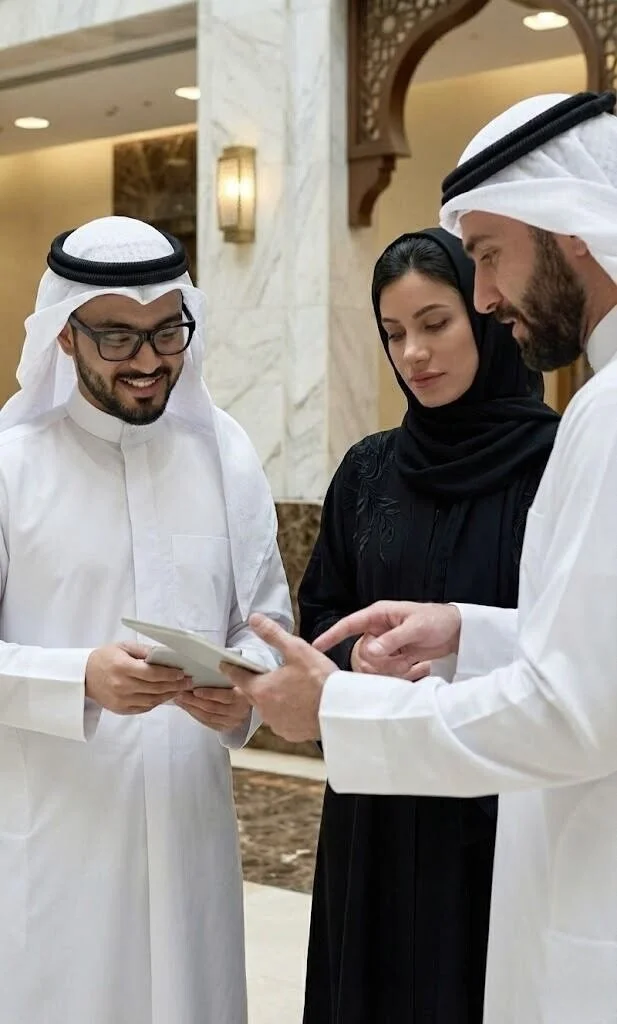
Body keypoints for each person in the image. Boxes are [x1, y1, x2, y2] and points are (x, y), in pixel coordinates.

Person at [223, 90, 617, 1024]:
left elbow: (571, 710)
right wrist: (463, 632)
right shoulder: (382, 465)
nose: (484, 298)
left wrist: (337, 705)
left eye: (486, 259)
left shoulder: (596, 423)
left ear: (569, 229)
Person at [0, 216, 292, 1024]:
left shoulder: (222, 453)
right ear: (65, 336)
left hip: (188, 823)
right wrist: (79, 677)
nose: (149, 360)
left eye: (167, 331)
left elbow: (265, 623)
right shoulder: (10, 465)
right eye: (118, 339)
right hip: (59, 841)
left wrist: (246, 692)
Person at [298, 228, 558, 1024]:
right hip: (377, 803)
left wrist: (458, 653)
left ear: (483, 315)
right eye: (393, 333)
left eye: (435, 323)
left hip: (498, 799)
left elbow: (574, 637)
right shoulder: (368, 469)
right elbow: (323, 615)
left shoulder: (558, 460)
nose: (414, 352)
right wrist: (355, 666)